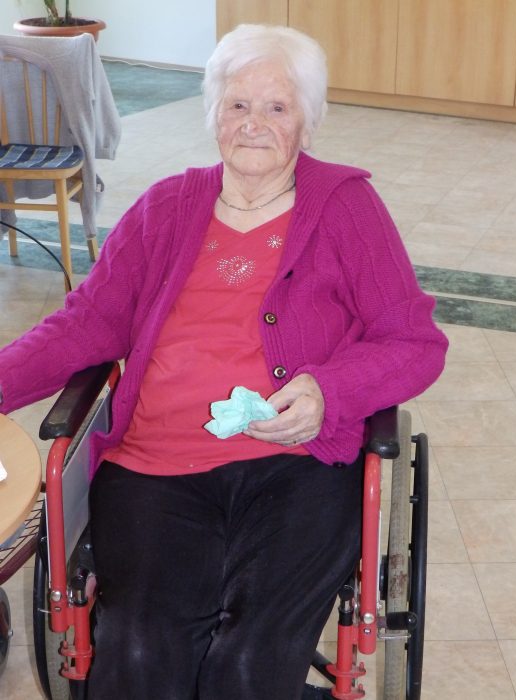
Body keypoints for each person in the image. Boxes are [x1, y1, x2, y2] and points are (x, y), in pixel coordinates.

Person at [0, 24, 448, 700]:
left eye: (277, 107)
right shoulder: (164, 208)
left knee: (248, 659)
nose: (253, 124)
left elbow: (413, 341)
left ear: (307, 122)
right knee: (143, 649)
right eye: (237, 104)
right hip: (155, 464)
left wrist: (330, 391)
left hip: (298, 467)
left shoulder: (347, 208)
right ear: (212, 112)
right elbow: (86, 324)